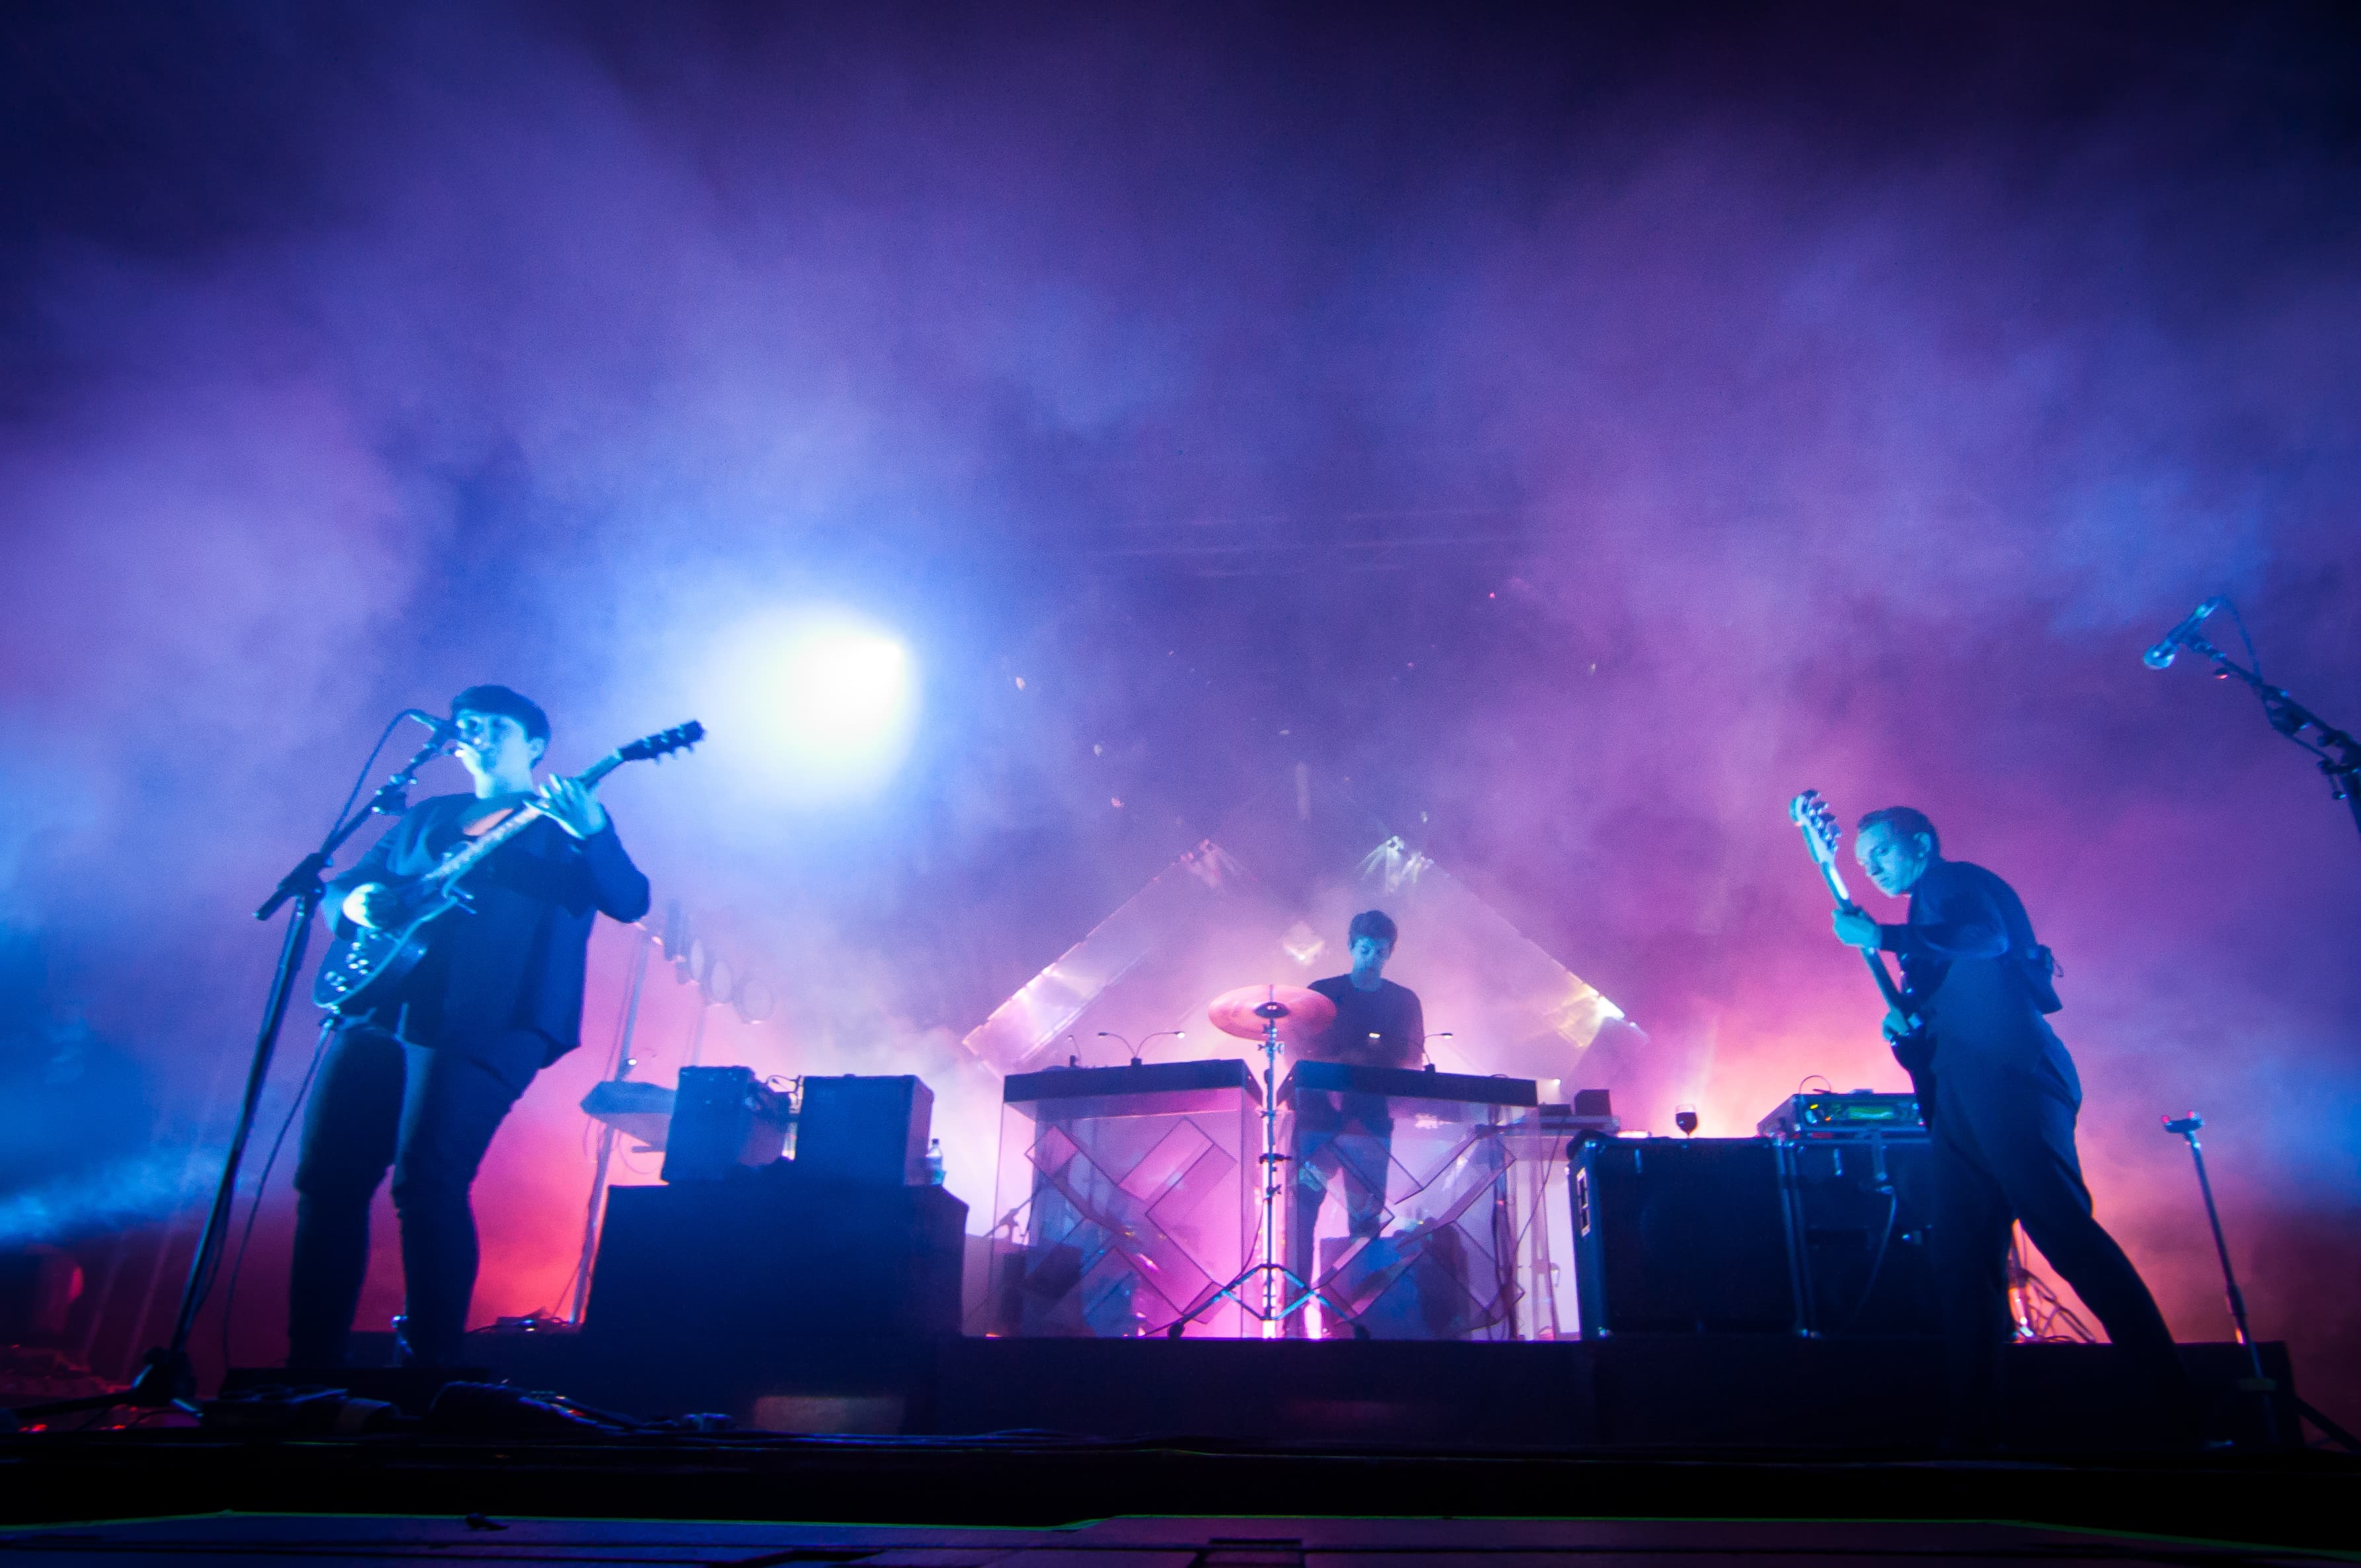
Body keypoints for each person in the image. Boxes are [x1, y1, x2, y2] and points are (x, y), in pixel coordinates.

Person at [289, 686, 649, 1368]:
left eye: (494, 725)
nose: (473, 732)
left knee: (426, 1182)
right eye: (468, 724)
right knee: (326, 1183)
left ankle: (432, 1372)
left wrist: (593, 833)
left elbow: (629, 899)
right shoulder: (427, 816)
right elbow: (350, 883)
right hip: (378, 1008)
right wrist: (356, 902)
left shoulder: (560, 822)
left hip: (488, 1020)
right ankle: (307, 1367)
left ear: (535, 746)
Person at [1831, 806, 2190, 1446]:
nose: (1874, 868)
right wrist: (1908, 1025)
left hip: (2009, 1078)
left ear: (1921, 843)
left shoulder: (1950, 882)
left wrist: (1881, 937)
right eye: (1862, 863)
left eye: (1881, 852)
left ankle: (2174, 1407)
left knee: (2060, 1230)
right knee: (1961, 1256)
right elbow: (1952, 998)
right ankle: (1975, 1430)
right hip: (1969, 1093)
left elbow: (1985, 939)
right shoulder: (1926, 913)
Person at [1285, 909, 1425, 1328]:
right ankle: (1293, 1315)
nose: (1372, 960)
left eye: (1380, 952)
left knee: (1365, 1220)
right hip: (1318, 1124)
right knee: (1302, 1214)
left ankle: (1357, 1320)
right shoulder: (1320, 996)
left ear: (1391, 953)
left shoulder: (1403, 1001)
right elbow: (1295, 1054)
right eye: (1365, 950)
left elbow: (1413, 1059)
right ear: (1350, 947)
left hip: (1368, 1126)